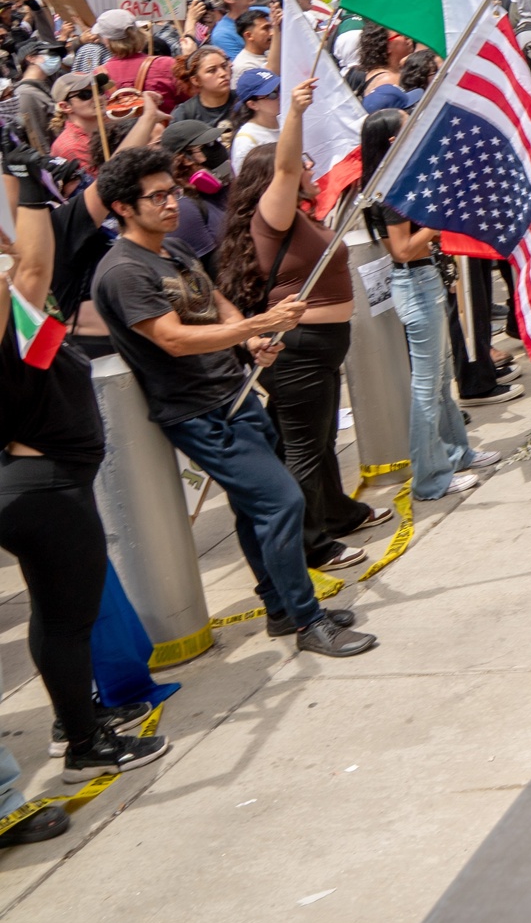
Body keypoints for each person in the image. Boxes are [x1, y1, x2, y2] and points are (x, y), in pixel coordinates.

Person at [88, 147, 376, 656]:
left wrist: (245, 339)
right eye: (156, 197)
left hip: (233, 392)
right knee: (282, 499)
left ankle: (282, 608)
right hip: (199, 411)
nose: (171, 204)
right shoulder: (122, 272)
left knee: (253, 510)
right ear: (122, 208)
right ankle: (308, 622)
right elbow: (173, 338)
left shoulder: (170, 250)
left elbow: (211, 300)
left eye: (172, 192)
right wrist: (259, 324)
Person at [0, 149, 165, 841]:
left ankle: (78, 720)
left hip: (40, 483)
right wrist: (28, 176)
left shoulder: (18, 319)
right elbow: (33, 265)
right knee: (67, 619)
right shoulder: (12, 318)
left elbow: (27, 254)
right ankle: (84, 741)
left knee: (57, 613)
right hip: (44, 487)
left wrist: (21, 184)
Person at [215, 81, 383, 573]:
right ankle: (312, 545)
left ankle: (338, 513)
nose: (310, 169)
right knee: (304, 450)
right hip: (299, 351)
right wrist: (293, 111)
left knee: (319, 438)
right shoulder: (274, 218)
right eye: (303, 166)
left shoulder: (299, 218)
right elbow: (286, 165)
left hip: (320, 349)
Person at [358, 111, 499, 502]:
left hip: (425, 282)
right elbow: (402, 250)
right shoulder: (391, 191)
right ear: (391, 141)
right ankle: (430, 478)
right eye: (407, 124)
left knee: (438, 382)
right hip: (414, 284)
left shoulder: (396, 184)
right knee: (426, 388)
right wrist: (438, 224)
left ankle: (457, 453)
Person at [161, 118, 232, 258]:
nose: (219, 148)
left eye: (217, 142)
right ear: (186, 159)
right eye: (209, 145)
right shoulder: (184, 209)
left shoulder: (224, 189)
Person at [95, 9, 185, 113]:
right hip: (165, 127)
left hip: (121, 129)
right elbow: (190, 99)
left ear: (106, 40)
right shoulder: (167, 65)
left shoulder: (98, 76)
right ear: (137, 33)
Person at [172, 47, 235, 133]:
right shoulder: (184, 115)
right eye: (212, 70)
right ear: (196, 80)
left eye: (224, 66)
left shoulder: (244, 101)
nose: (223, 73)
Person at [230, 66, 282, 167]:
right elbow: (248, 181)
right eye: (272, 94)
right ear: (252, 105)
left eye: (279, 89)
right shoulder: (246, 141)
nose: (279, 97)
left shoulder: (285, 120)